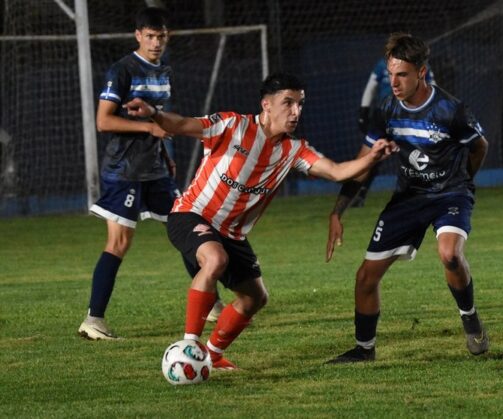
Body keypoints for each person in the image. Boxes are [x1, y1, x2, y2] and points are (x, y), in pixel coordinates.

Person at [124, 72, 396, 370]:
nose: (295, 112)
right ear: (266, 105)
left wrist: (372, 157)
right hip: (193, 214)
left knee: (255, 297)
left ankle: (212, 355)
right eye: (288, 103)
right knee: (215, 260)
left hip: (233, 233)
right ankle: (189, 344)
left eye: (300, 104)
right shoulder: (232, 125)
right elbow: (179, 124)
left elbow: (336, 171)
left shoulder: (293, 150)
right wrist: (154, 113)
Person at [325, 33, 490, 363]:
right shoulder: (386, 111)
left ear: (422, 72)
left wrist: (464, 182)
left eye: (402, 75)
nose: (394, 83)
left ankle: (470, 317)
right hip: (409, 198)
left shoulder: (451, 111)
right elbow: (363, 163)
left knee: (450, 255)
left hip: (450, 195)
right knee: (365, 277)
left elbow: (479, 146)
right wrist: (337, 212)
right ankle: (364, 350)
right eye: (390, 75)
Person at [78, 7, 187, 340]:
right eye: (150, 36)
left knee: (189, 229)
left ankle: (210, 304)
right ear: (138, 35)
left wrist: (165, 155)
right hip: (124, 171)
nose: (156, 42)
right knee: (119, 242)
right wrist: (147, 130)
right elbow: (104, 121)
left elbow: (159, 121)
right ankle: (93, 320)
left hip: (155, 169)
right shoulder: (122, 70)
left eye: (161, 36)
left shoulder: (164, 71)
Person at [352, 57, 435, 207]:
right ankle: (359, 193)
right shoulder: (382, 64)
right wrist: (364, 109)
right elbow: (371, 86)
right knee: (374, 153)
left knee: (417, 153)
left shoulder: (421, 65)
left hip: (411, 114)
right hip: (384, 114)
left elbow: (433, 87)